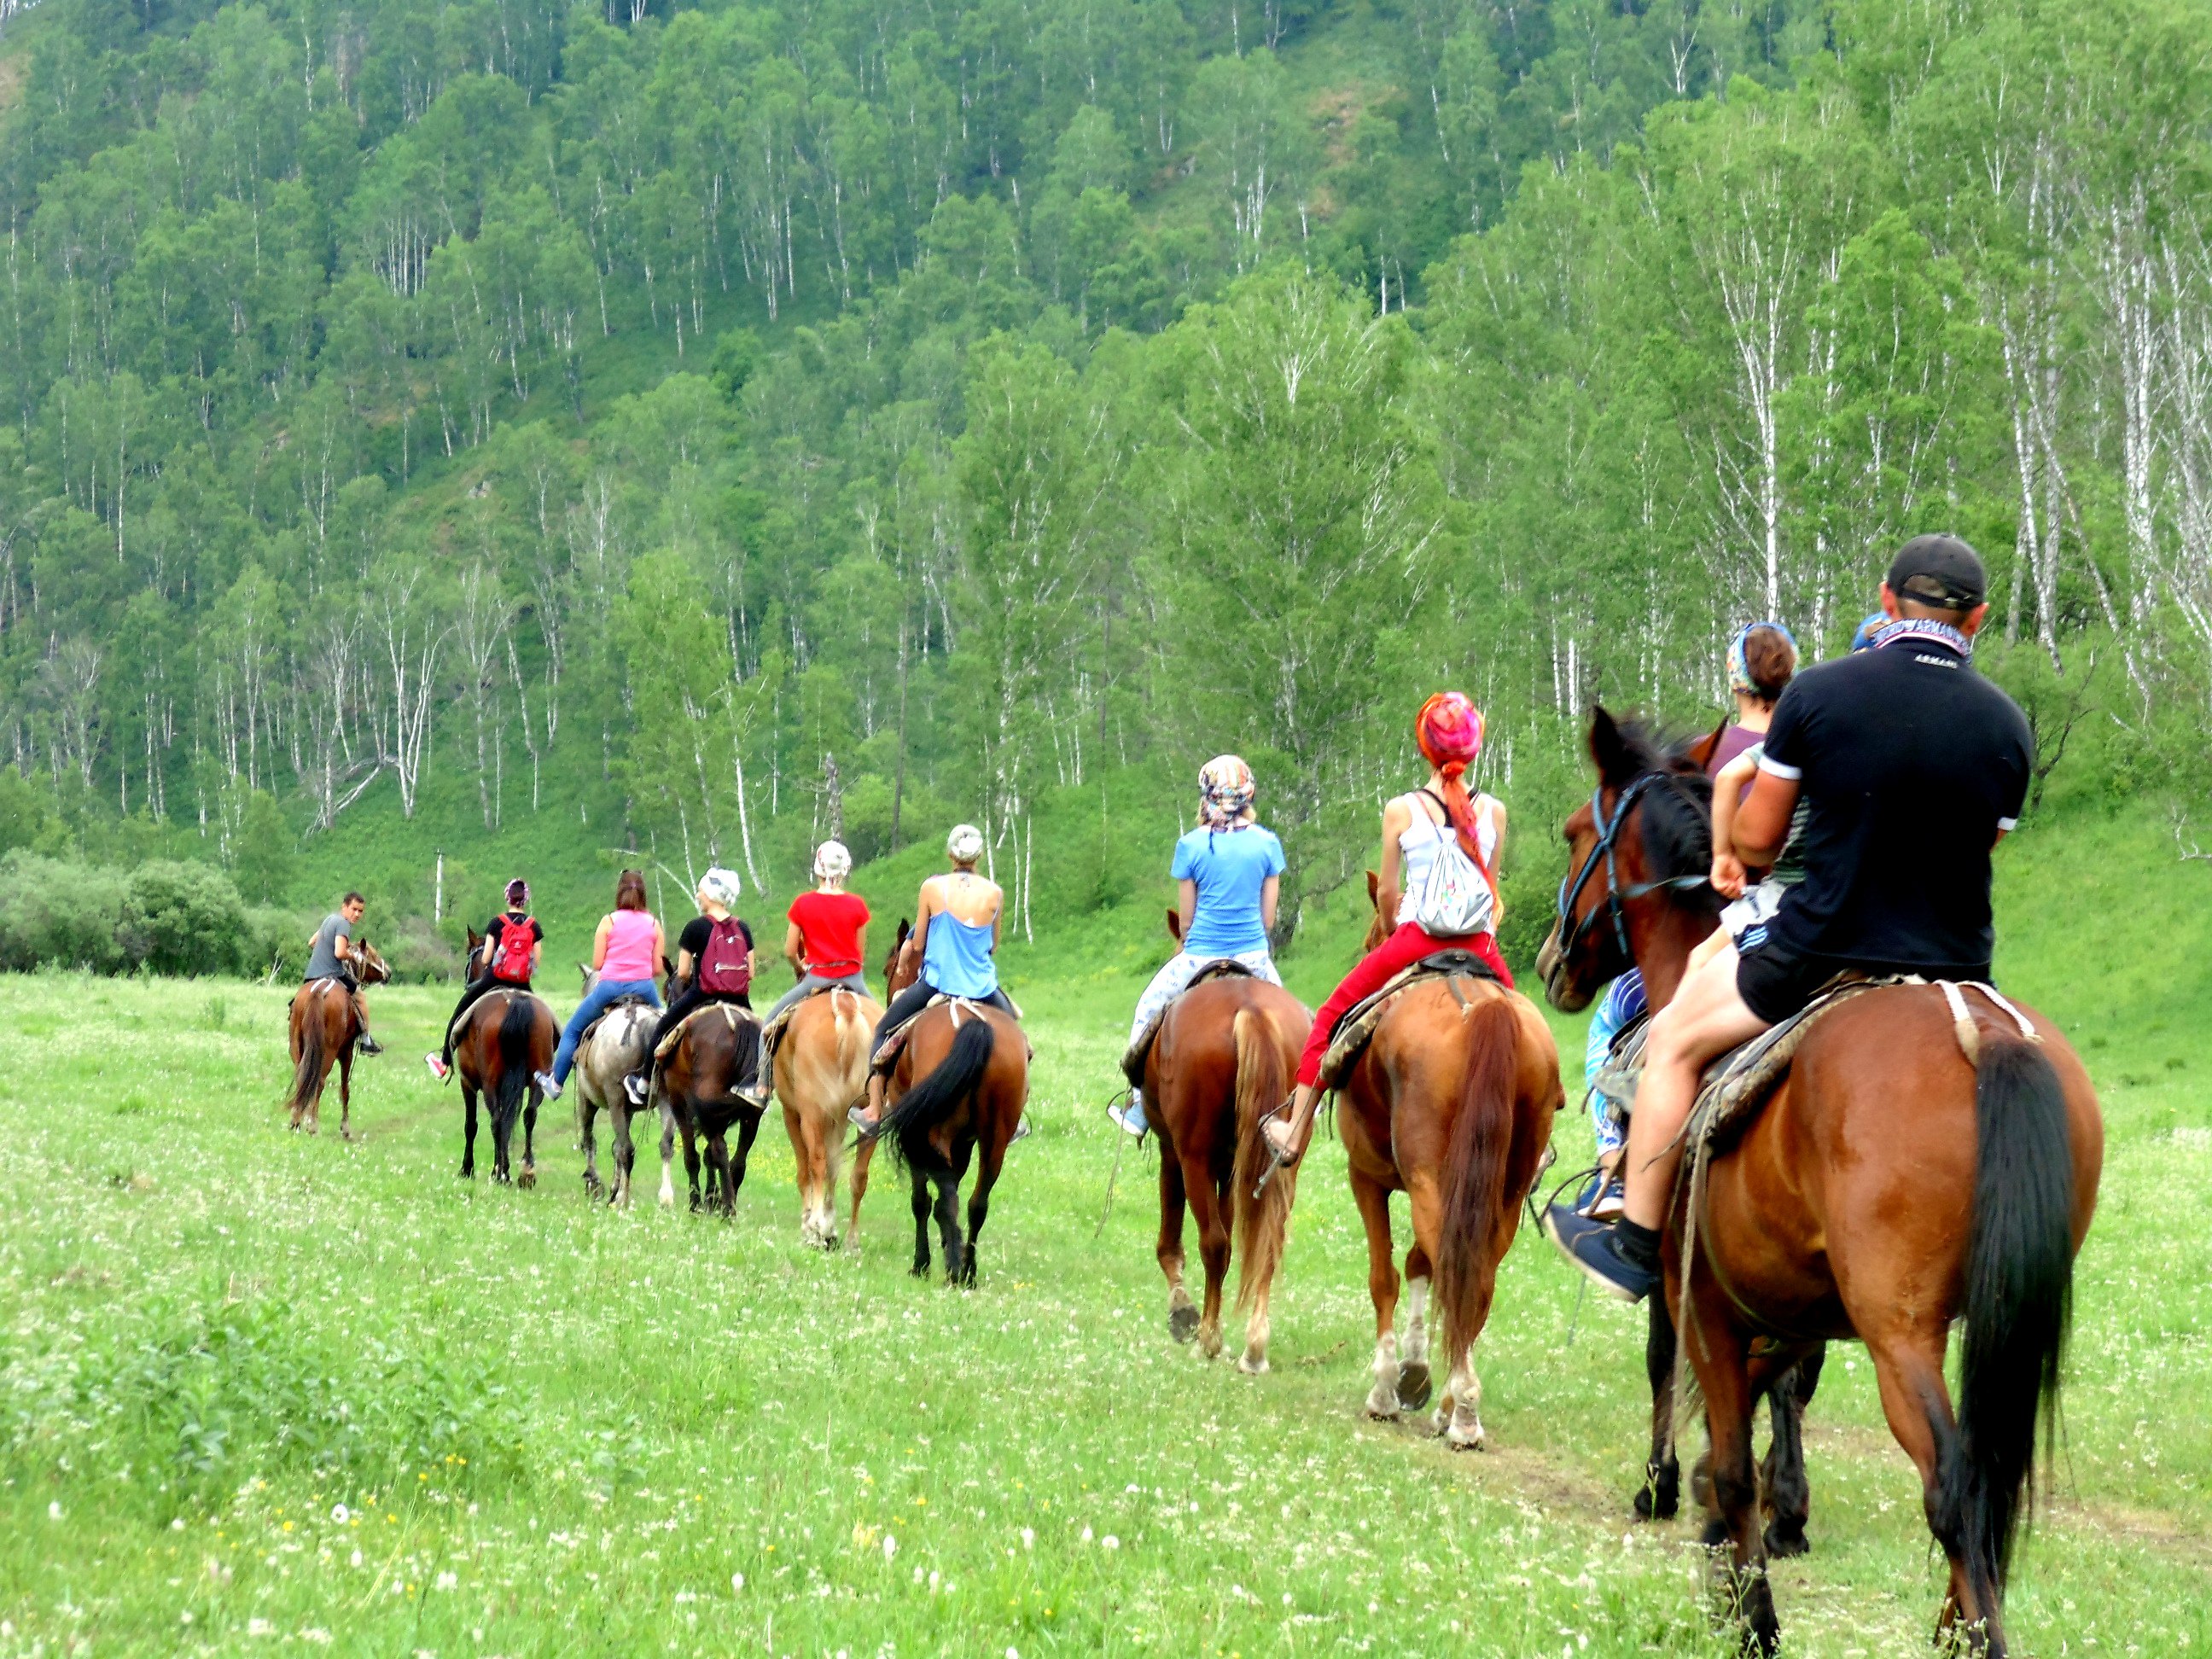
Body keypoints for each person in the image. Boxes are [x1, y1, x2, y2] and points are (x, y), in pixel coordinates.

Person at [1544, 535, 2034, 1301]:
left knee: (1669, 1041)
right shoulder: (2009, 724)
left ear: (1885, 599)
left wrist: (1738, 839)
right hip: (1958, 962)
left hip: (1823, 947)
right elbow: (1986, 843)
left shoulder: (1822, 695)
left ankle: (1635, 1244)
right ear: (1976, 619)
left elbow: (1759, 842)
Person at [1574, 622, 1799, 1215]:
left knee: (1610, 1022)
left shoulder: (1710, 754)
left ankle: (1617, 1164)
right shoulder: (1810, 742)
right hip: (1804, 916)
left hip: (1735, 928)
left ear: (1735, 678)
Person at [1260, 692, 1512, 1168]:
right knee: (1519, 1023)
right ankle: (1534, 1146)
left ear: (1426, 747)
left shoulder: (1402, 809)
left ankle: (1294, 1128)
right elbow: (1491, 893)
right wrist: (1482, 935)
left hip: (1416, 938)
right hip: (1479, 945)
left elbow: (1388, 893)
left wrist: (1397, 928)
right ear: (1474, 748)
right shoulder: (1495, 812)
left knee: (1331, 1015)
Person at [1109, 755, 1286, 1138]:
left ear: (1207, 796)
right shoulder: (1268, 844)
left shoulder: (1189, 846)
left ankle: (1139, 1105)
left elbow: (1185, 922)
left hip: (1199, 956)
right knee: (1298, 1020)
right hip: (1254, 958)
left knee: (1146, 1011)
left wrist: (1190, 939)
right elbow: (1268, 920)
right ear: (1248, 794)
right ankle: (1302, 1104)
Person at [848, 824, 1017, 1138]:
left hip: (938, 984)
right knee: (1018, 1042)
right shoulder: (995, 893)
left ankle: (873, 1109)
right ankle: (1013, 1113)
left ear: (950, 853)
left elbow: (920, 942)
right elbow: (993, 946)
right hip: (983, 987)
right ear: (979, 855)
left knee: (883, 1031)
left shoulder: (932, 888)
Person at [626, 868, 755, 1108]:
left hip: (703, 993)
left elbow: (683, 972)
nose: (698, 895)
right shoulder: (743, 928)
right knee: (760, 1037)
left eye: (701, 891)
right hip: (739, 999)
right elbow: (752, 972)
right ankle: (758, 1085)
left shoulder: (695, 927)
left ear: (711, 894)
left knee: (663, 1027)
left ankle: (643, 1084)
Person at [536, 870, 665, 1100]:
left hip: (610, 988)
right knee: (668, 1030)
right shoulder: (654, 924)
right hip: (645, 988)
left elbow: (597, 963)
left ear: (619, 892)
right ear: (644, 894)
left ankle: (555, 1083)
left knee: (573, 1030)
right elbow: (657, 969)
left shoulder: (609, 921)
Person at [426, 878, 541, 1082]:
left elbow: (486, 958)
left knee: (459, 1013)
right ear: (526, 899)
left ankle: (444, 1062)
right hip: (522, 983)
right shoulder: (534, 926)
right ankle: (547, 1071)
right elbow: (537, 961)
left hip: (494, 979)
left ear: (508, 898)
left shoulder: (497, 923)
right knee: (544, 1023)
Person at [303, 892, 382, 1055]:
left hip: (311, 975)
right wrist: (354, 956)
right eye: (354, 909)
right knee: (360, 997)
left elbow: (311, 942)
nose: (357, 914)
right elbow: (339, 953)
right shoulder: (343, 924)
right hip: (332, 974)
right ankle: (367, 1041)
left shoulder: (329, 920)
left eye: (360, 911)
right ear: (344, 907)